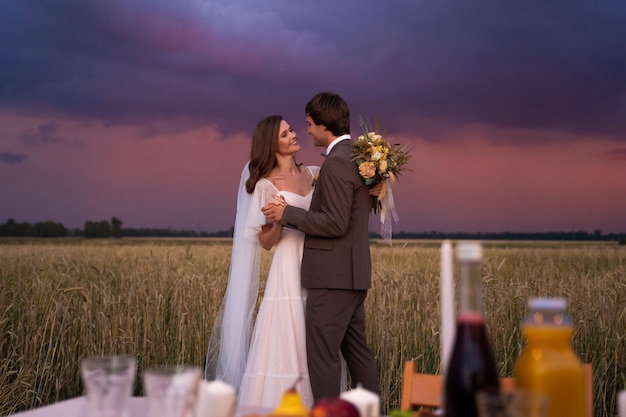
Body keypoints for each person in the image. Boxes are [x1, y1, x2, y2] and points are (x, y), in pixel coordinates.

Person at [262, 91, 380, 401]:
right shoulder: (357, 156)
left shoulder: (337, 163)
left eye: (309, 124)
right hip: (353, 275)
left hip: (331, 278)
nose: (307, 130)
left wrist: (288, 214)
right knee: (358, 355)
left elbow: (335, 223)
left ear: (323, 125)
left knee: (323, 359)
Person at [205, 115, 317, 407]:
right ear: (272, 144)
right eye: (285, 134)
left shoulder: (313, 173)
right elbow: (266, 243)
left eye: (292, 129)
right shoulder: (267, 186)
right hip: (288, 264)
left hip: (319, 260)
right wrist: (279, 219)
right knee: (288, 334)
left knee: (316, 336)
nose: (293, 135)